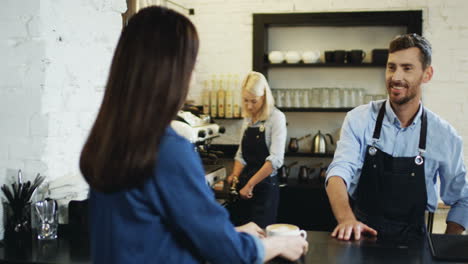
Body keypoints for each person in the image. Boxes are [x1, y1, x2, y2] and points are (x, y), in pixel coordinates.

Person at [79, 6, 307, 264]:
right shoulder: (168, 149)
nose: (193, 76)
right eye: (192, 65)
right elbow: (228, 253)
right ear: (170, 72)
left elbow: (149, 234)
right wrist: (277, 243)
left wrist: (227, 233)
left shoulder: (111, 139)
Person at [325, 33, 468, 241]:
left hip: (415, 243)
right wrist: (346, 219)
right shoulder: (359, 119)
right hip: (360, 235)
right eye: (391, 67)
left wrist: (446, 244)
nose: (396, 77)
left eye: (407, 68)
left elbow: (462, 199)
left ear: (427, 74)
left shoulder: (444, 135)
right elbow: (338, 173)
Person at [227, 71, 287, 228]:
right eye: (245, 100)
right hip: (245, 185)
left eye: (253, 101)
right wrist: (235, 175)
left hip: (265, 187)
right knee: (243, 234)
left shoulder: (276, 118)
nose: (249, 106)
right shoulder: (248, 118)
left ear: (264, 97)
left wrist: (251, 185)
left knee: (260, 237)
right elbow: (241, 154)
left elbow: (275, 160)